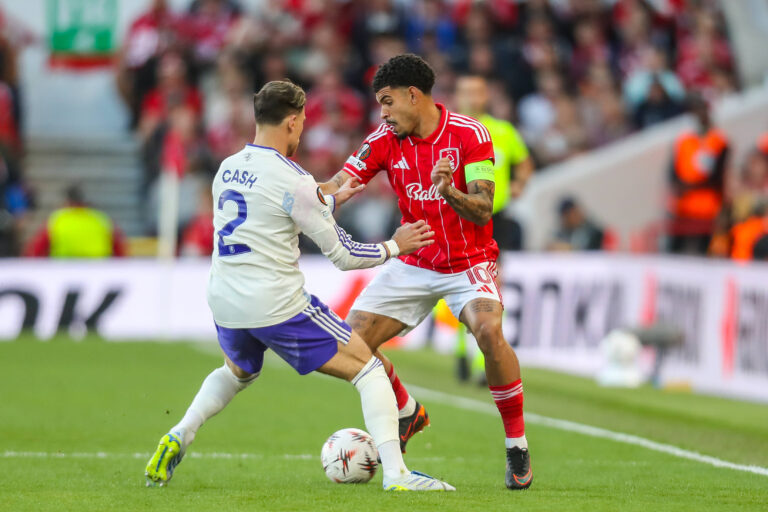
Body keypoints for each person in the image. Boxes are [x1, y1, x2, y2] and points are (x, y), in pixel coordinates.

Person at [144, 80, 454, 492]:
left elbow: (272, 210)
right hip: (276, 304)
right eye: (303, 122)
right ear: (292, 122)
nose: (303, 130)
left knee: (236, 371)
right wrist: (397, 245)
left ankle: (179, 434)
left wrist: (329, 198)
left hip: (225, 300)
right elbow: (344, 256)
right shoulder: (294, 179)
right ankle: (398, 476)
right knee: (371, 370)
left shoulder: (228, 167)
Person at [319, 54, 533, 490]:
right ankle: (406, 409)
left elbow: (483, 207)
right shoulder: (383, 139)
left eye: (387, 102)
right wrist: (300, 196)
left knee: (488, 332)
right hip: (414, 261)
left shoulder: (471, 135)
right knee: (350, 347)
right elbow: (340, 181)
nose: (382, 113)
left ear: (412, 95)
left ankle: (516, 444)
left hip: (467, 261)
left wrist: (448, 190)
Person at [666, 94, 729, 255]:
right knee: (674, 252)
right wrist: (679, 186)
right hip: (683, 209)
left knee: (704, 253)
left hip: (708, 210)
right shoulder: (683, 141)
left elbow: (718, 178)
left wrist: (690, 186)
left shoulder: (719, 140)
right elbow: (672, 172)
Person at [24, 185, 127, 258]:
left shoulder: (58, 219)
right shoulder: (101, 218)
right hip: (98, 270)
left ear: (67, 201)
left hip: (64, 269)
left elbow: (37, 248)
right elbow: (118, 247)